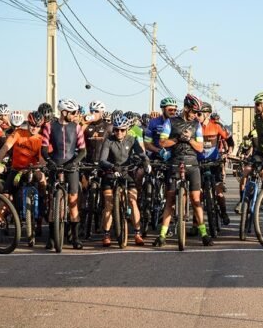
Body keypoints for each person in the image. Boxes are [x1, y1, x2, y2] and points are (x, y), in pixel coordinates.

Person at [155, 94, 209, 246]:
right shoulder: (170, 122)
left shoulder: (197, 125)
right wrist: (178, 139)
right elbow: (162, 142)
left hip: (192, 164)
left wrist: (190, 139)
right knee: (170, 201)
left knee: (196, 200)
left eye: (198, 113)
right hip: (175, 163)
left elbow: (200, 147)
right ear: (186, 108)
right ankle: (162, 235)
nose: (195, 115)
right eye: (193, 111)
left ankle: (204, 234)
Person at [41, 98, 87, 249]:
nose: (74, 115)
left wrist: (74, 163)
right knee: (53, 201)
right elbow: (44, 149)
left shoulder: (77, 127)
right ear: (64, 112)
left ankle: (75, 238)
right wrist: (49, 161)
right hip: (55, 163)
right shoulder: (49, 126)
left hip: (71, 165)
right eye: (72, 112)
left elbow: (82, 150)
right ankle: (52, 238)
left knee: (73, 201)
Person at [0, 111, 47, 243]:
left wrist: (43, 165)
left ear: (41, 126)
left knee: (43, 180)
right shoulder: (19, 133)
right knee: (5, 196)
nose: (34, 128)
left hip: (33, 169)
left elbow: (43, 157)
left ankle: (44, 203)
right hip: (17, 170)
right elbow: (5, 147)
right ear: (28, 123)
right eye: (31, 125)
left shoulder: (41, 139)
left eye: (37, 126)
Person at [99, 114, 148, 247]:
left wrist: (146, 162)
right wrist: (111, 166)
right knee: (109, 204)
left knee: (133, 201)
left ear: (127, 130)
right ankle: (106, 234)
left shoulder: (132, 139)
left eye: (122, 130)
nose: (119, 132)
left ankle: (137, 233)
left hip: (127, 172)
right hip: (111, 172)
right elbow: (102, 159)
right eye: (116, 130)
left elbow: (141, 153)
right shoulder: (109, 140)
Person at [197, 102, 235, 225]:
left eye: (199, 113)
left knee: (218, 192)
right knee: (199, 195)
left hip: (215, 162)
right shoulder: (195, 126)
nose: (197, 116)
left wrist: (229, 151)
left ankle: (223, 213)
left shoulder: (217, 126)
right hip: (199, 163)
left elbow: (229, 139)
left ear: (207, 114)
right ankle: (195, 224)